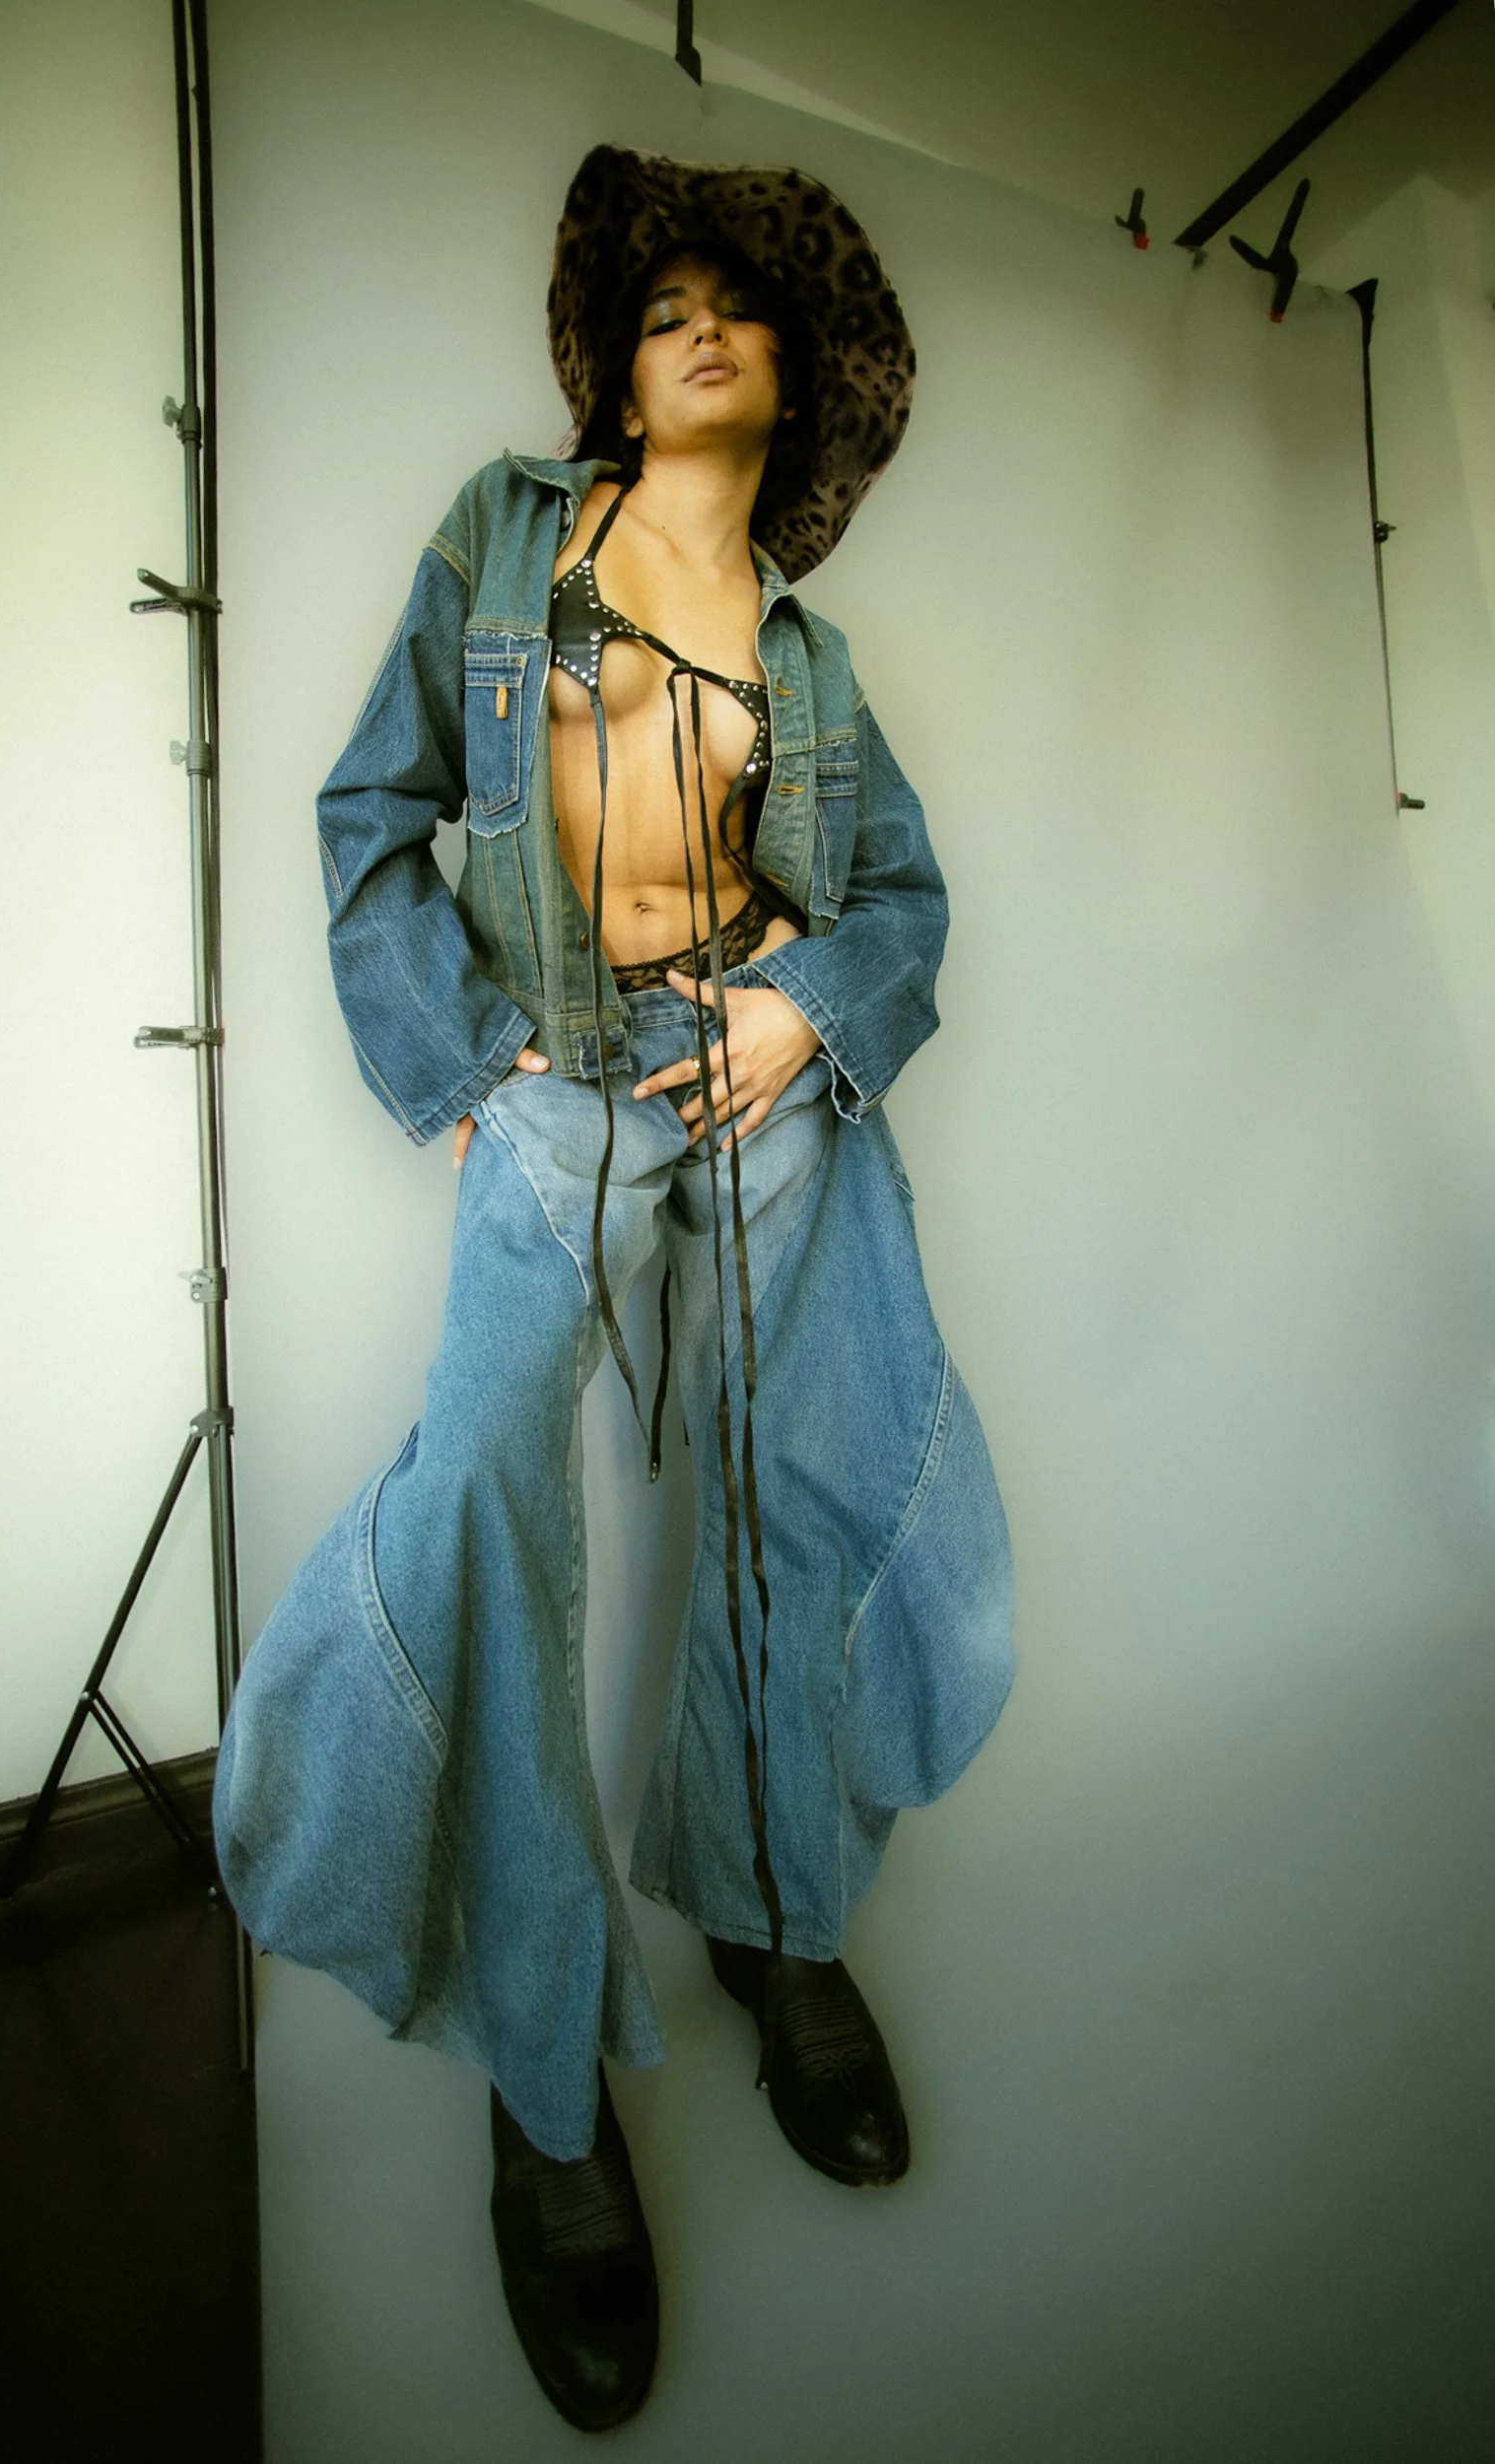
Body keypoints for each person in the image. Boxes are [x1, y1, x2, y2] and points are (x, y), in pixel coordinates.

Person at [213, 144, 1016, 2434]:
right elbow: (369, 813)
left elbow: (902, 905)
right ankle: (542, 2062)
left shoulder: (811, 656)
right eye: (659, 302)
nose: (695, 324)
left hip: (750, 1076)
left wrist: (803, 1009)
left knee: (806, 1477)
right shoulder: (506, 539)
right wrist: (455, 1056)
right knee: (483, 1495)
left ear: (797, 375)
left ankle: (766, 1907)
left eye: (733, 303)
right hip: (553, 1080)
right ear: (612, 360)